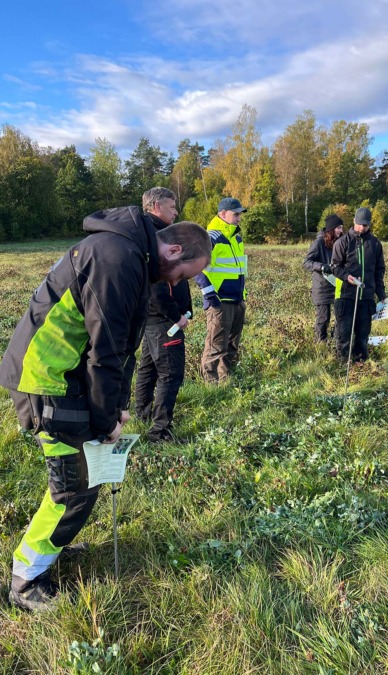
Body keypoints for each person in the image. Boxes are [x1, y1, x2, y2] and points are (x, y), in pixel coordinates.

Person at [0, 206, 211, 611]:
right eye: (184, 275)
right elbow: (107, 352)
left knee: (81, 481)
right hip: (48, 380)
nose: (177, 284)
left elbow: (118, 349)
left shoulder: (130, 254)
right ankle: (25, 581)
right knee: (73, 488)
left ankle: (48, 552)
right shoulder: (118, 259)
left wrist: (113, 410)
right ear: (174, 251)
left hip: (65, 377)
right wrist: (104, 422)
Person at [134, 187, 193, 443]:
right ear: (156, 206)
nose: (176, 211)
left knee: (148, 366)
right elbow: (157, 286)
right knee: (171, 372)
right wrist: (176, 316)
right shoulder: (157, 237)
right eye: (172, 206)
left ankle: (143, 413)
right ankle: (160, 431)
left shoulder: (147, 233)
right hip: (163, 319)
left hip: (150, 318)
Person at [195, 197, 247, 383]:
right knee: (216, 345)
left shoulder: (236, 237)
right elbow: (197, 268)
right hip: (220, 301)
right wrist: (210, 295)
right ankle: (211, 383)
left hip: (237, 299)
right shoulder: (211, 237)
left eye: (240, 214)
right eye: (236, 214)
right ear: (222, 214)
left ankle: (226, 379)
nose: (239, 218)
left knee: (232, 344)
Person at [331, 207, 387, 362]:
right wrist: (346, 276)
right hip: (345, 296)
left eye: (366, 225)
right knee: (345, 335)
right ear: (354, 221)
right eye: (360, 224)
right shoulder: (342, 243)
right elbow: (335, 267)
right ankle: (343, 364)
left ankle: (361, 364)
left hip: (366, 298)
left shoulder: (375, 244)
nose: (362, 228)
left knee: (362, 336)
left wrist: (381, 294)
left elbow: (379, 270)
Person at [303, 214, 344, 342]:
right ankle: (320, 345)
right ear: (331, 229)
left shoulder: (341, 242)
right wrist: (321, 266)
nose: (341, 231)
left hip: (337, 286)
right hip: (322, 287)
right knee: (323, 318)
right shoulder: (319, 243)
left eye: (342, 228)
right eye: (338, 228)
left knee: (341, 317)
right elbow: (306, 262)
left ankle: (335, 340)